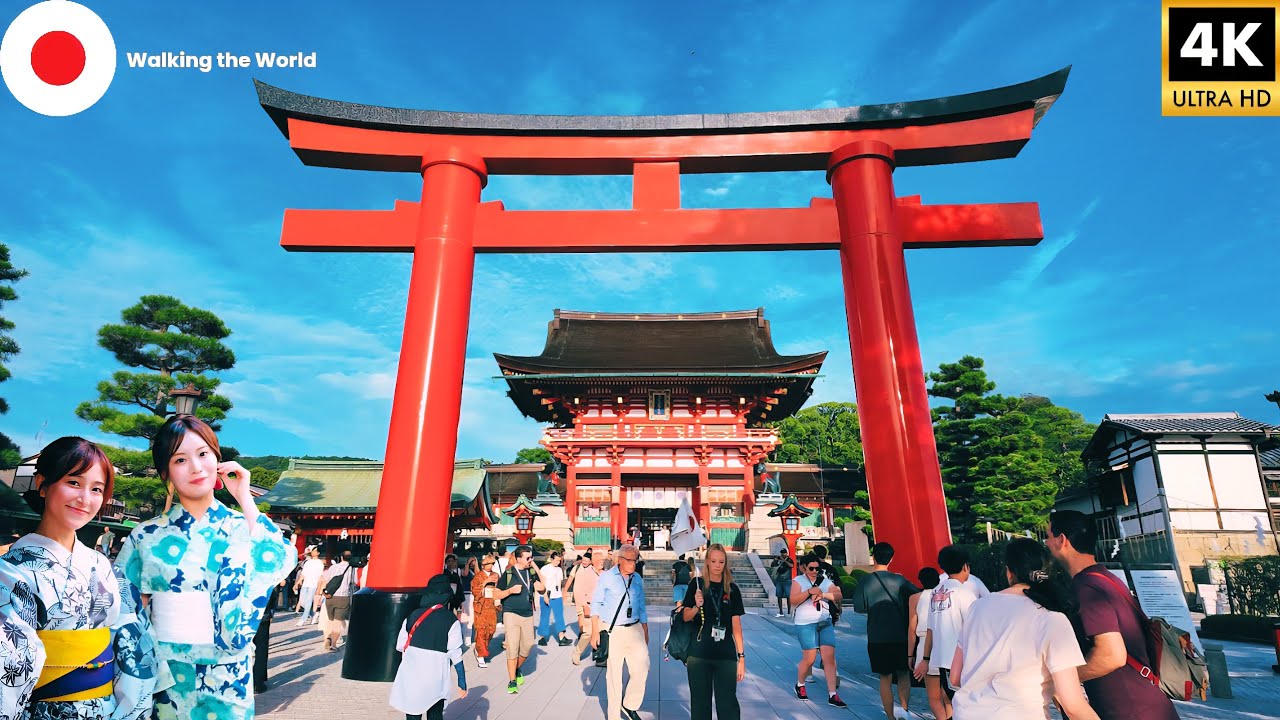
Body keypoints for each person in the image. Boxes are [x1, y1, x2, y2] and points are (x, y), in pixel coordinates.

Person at [116, 414, 296, 720]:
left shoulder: (242, 525)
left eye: (203, 454)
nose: (196, 467)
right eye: (180, 459)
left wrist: (244, 497)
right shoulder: (146, 536)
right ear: (165, 473)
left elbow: (279, 559)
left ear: (218, 460)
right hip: (165, 675)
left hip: (227, 677)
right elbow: (124, 610)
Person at [0, 437, 160, 720]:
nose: (85, 499)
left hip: (108, 710)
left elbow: (135, 646)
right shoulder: (11, 572)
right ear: (42, 484)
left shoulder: (105, 566)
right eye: (74, 482)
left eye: (96, 489)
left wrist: (130, 711)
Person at [1047, 510, 1180, 720]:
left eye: (1048, 536)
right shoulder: (1105, 578)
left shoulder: (1086, 587)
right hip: (1148, 704)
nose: (1046, 543)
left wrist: (1062, 680)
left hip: (1129, 709)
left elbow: (1111, 655)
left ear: (1062, 540)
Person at [950, 538, 1098, 720]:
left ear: (1009, 572)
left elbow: (955, 677)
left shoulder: (976, 608)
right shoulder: (1052, 619)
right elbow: (1073, 705)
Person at [851, 542, 918, 720]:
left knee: (885, 677)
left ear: (873, 556)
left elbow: (859, 607)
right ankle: (905, 711)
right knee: (903, 674)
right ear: (891, 558)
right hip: (901, 636)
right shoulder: (900, 580)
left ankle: (890, 717)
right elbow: (917, 596)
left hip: (877, 635)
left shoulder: (865, 580)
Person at [679, 543, 745, 720]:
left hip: (726, 655)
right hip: (699, 654)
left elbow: (736, 626)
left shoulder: (732, 589)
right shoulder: (697, 584)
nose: (717, 565)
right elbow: (685, 616)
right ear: (707, 561)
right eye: (714, 561)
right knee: (700, 705)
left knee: (728, 705)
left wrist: (741, 657)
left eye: (721, 561)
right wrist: (696, 605)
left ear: (725, 563)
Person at [914, 545, 980, 720]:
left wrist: (925, 659)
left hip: (941, 661)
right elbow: (975, 629)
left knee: (952, 702)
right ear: (966, 566)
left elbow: (930, 629)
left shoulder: (936, 592)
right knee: (965, 707)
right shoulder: (965, 594)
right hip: (962, 661)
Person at [390, 574, 468, 720]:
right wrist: (462, 681)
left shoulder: (412, 616)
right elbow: (455, 653)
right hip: (435, 673)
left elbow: (401, 646)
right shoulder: (451, 620)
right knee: (435, 713)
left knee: (412, 711)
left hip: (412, 671)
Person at [591, 544, 649, 720]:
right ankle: (614, 716)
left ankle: (629, 704)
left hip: (635, 628)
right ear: (620, 560)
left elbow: (642, 605)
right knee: (614, 677)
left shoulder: (637, 578)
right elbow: (596, 604)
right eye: (630, 560)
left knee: (642, 667)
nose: (633, 564)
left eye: (635, 560)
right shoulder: (607, 578)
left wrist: (645, 630)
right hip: (613, 630)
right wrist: (595, 631)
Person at [789, 552, 846, 707]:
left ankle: (832, 694)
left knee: (829, 657)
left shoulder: (824, 581)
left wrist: (824, 594)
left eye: (817, 568)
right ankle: (800, 684)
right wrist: (808, 592)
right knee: (810, 658)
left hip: (824, 622)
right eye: (811, 568)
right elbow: (793, 600)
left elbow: (838, 594)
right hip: (805, 623)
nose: (814, 571)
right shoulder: (798, 581)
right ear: (804, 568)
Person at [495, 544, 544, 693]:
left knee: (528, 645)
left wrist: (535, 568)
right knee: (512, 646)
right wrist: (510, 591)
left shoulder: (530, 572)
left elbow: (543, 586)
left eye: (531, 557)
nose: (530, 560)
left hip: (527, 614)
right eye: (528, 558)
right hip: (511, 614)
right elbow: (495, 594)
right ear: (518, 558)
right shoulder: (508, 573)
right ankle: (511, 681)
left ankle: (516, 669)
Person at [907, 567, 941, 682]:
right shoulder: (945, 595)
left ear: (920, 581)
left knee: (933, 696)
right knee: (948, 693)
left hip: (923, 643)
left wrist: (910, 655)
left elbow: (912, 628)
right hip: (944, 644)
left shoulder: (914, 598)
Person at [571, 550, 604, 665]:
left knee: (603, 631)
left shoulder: (603, 574)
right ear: (593, 561)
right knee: (588, 633)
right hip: (589, 606)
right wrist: (584, 606)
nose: (602, 562)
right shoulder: (585, 573)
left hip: (602, 608)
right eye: (600, 561)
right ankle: (577, 652)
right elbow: (579, 591)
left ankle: (600, 656)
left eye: (603, 560)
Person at [319, 550, 355, 651]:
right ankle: (333, 643)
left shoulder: (333, 567)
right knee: (338, 621)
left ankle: (327, 637)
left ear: (341, 557)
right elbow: (354, 582)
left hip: (330, 596)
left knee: (330, 619)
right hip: (343, 597)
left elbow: (327, 579)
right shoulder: (351, 569)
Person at [469, 554, 500, 668]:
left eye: (492, 564)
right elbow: (475, 591)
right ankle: (480, 653)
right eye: (488, 564)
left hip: (491, 605)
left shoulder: (496, 575)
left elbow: (499, 588)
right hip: (481, 606)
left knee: (491, 629)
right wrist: (486, 582)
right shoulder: (478, 576)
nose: (490, 566)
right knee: (481, 629)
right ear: (483, 565)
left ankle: (483, 648)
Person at [537, 551, 572, 646]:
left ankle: (561, 637)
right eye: (556, 560)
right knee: (545, 616)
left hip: (557, 595)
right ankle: (542, 637)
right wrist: (544, 595)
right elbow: (542, 583)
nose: (557, 562)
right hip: (546, 594)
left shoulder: (559, 570)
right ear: (551, 559)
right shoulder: (544, 569)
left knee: (559, 616)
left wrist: (562, 593)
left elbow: (559, 583)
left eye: (559, 561)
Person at [253, 583, 281, 693]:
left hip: (243, 617)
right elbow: (273, 595)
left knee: (243, 649)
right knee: (261, 649)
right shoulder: (267, 576)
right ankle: (258, 682)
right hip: (262, 616)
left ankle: (244, 680)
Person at [294, 547, 325, 625]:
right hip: (305, 584)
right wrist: (297, 583)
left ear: (318, 553)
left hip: (313, 584)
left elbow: (320, 577)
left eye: (315, 551)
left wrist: (319, 587)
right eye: (312, 551)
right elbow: (303, 574)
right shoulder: (308, 562)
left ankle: (303, 619)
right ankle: (313, 614)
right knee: (302, 602)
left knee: (308, 602)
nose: (313, 552)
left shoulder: (319, 563)